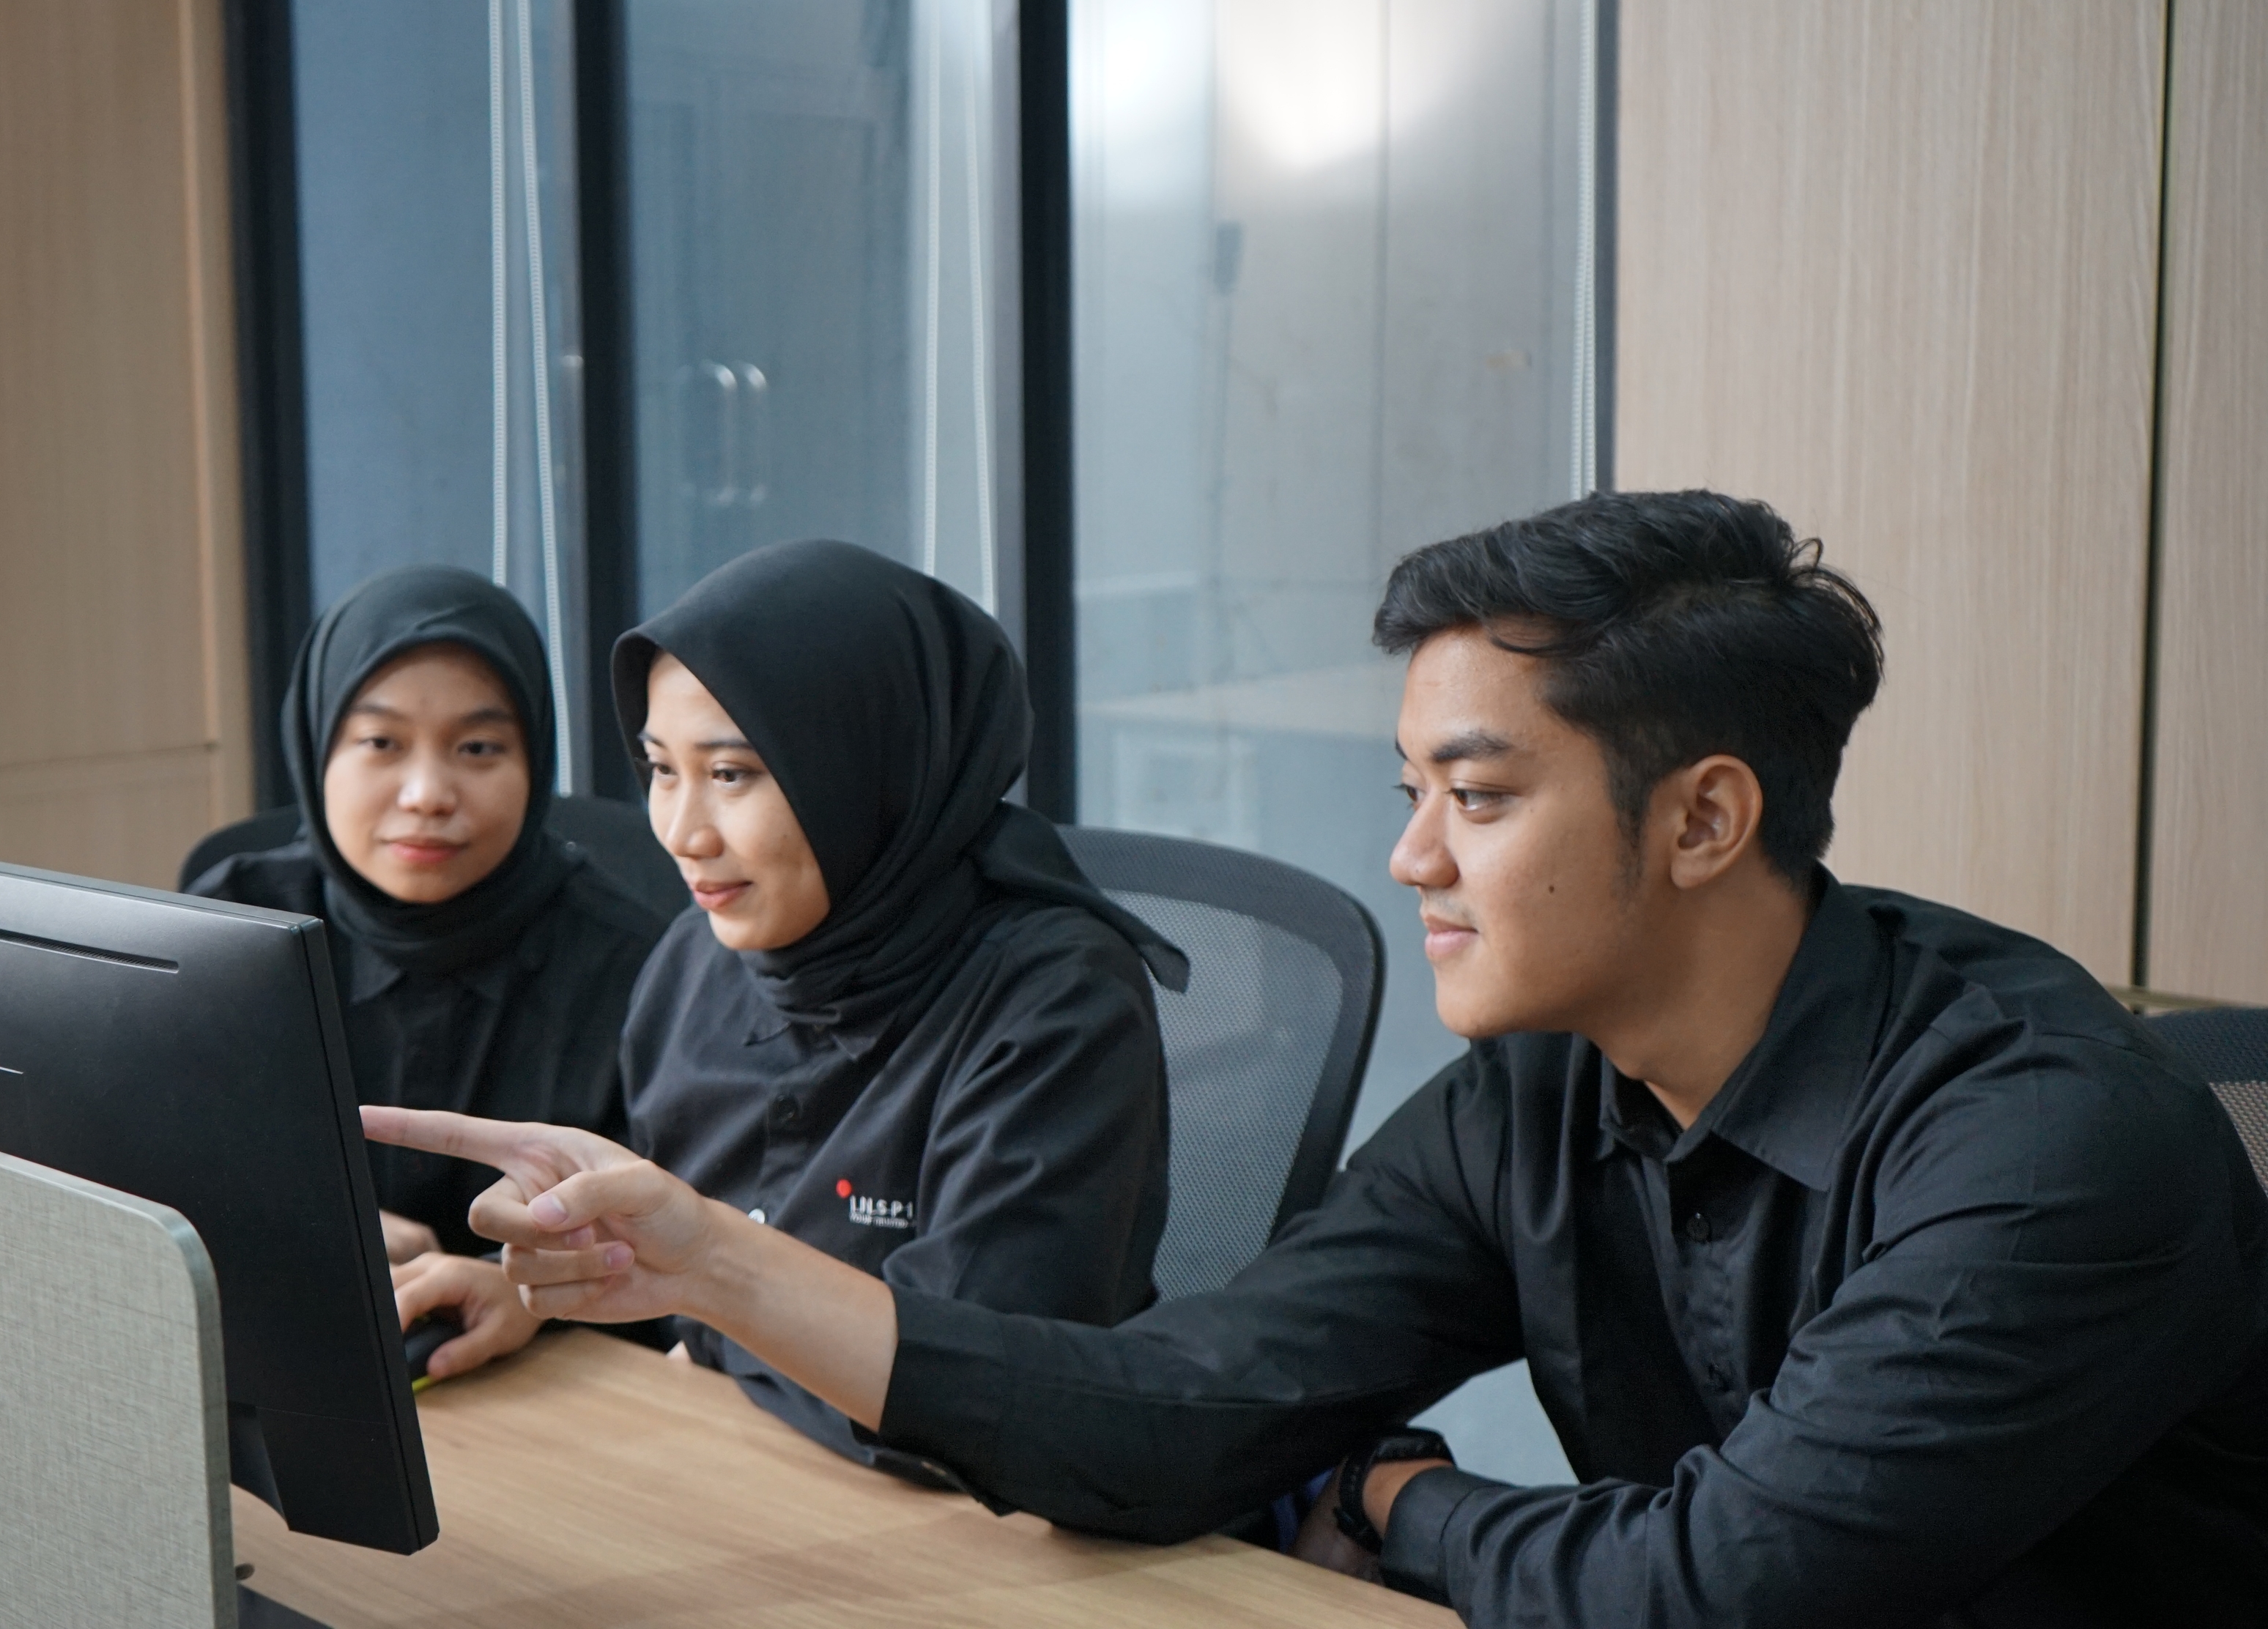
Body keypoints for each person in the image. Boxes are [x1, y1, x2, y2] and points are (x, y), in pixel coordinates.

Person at [364, 493, 2268, 1625]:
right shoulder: (1546, 1087)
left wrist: (1392, 1508)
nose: (1411, 860)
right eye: (1407, 792)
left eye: (1478, 798)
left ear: (1700, 822)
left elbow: (1723, 1592)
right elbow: (1194, 1397)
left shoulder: (2051, 1151)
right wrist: (707, 1264)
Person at [391, 540, 1186, 1475]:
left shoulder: (1054, 1002)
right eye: (659, 768)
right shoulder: (696, 960)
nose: (683, 833)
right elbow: (679, 1293)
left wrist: (719, 1323)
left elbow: (966, 1401)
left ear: (867, 764)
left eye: (732, 774)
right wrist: (540, 1295)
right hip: (733, 1480)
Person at [188, 565, 664, 1347]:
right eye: (381, 742)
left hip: (546, 1389)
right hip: (288, 1348)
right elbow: (166, 1153)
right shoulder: (236, 922)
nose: (427, 792)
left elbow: (667, 1249)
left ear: (535, 757)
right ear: (317, 749)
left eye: (478, 747)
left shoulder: (633, 967)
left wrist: (526, 1292)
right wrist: (311, 1230)